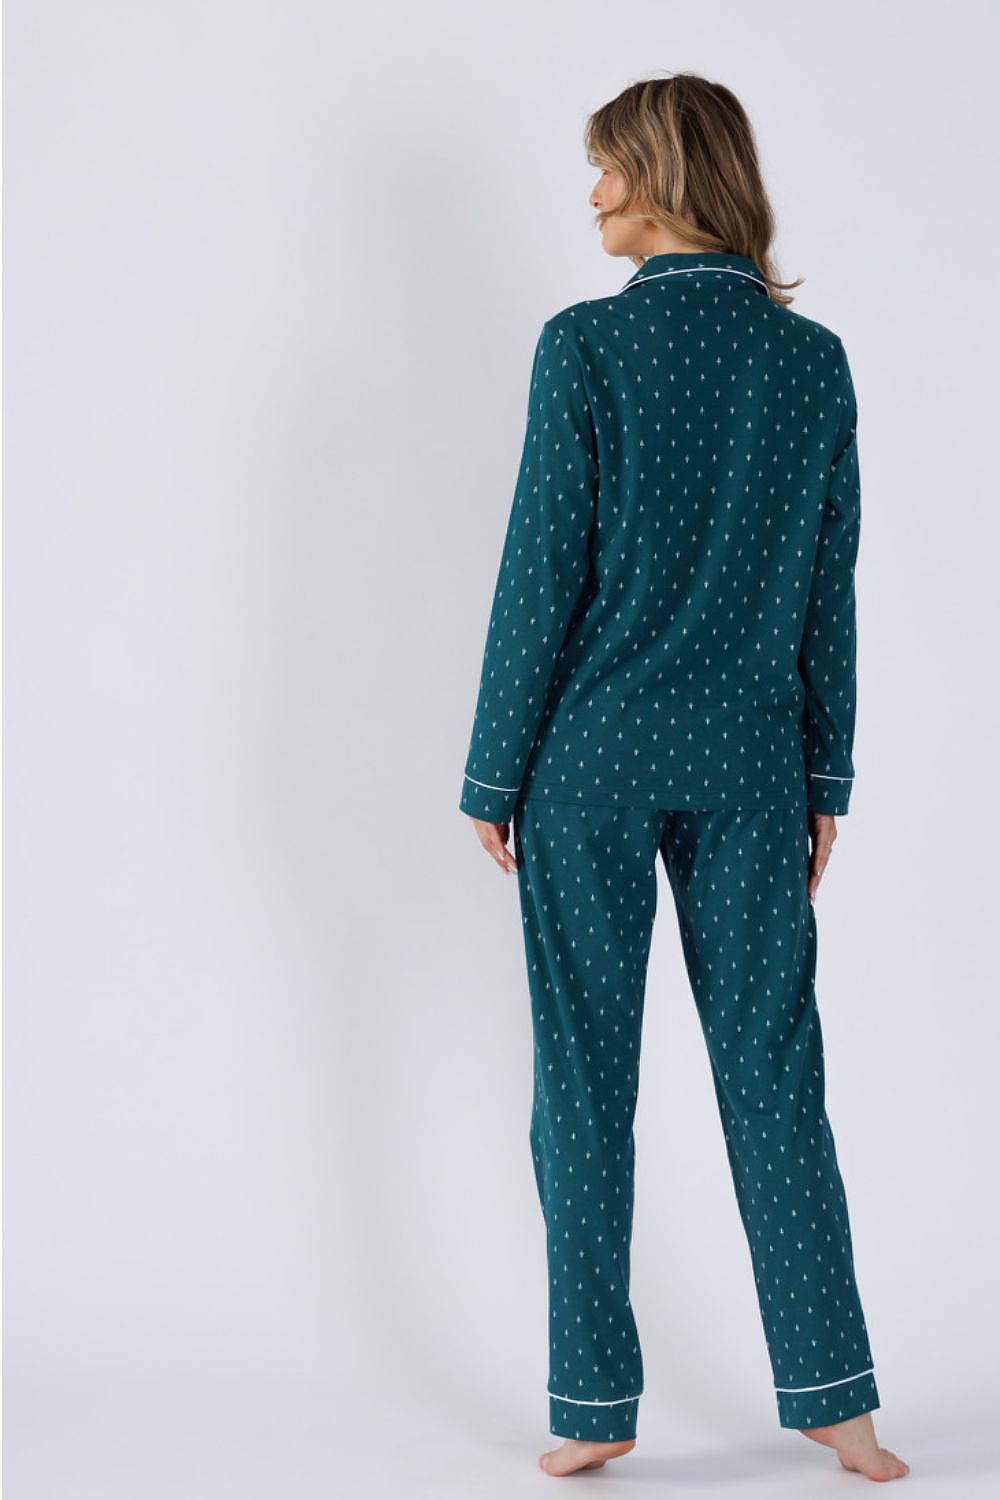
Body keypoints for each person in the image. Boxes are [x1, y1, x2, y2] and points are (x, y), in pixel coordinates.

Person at [458, 72, 908, 1483]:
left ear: (661, 176)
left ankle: (593, 1410)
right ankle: (839, 1406)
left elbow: (542, 569)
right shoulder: (812, 360)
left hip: (588, 765)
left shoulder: (585, 346)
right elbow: (829, 584)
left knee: (584, 1088)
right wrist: (825, 770)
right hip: (754, 768)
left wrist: (492, 773)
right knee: (776, 1077)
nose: (593, 194)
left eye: (607, 168)